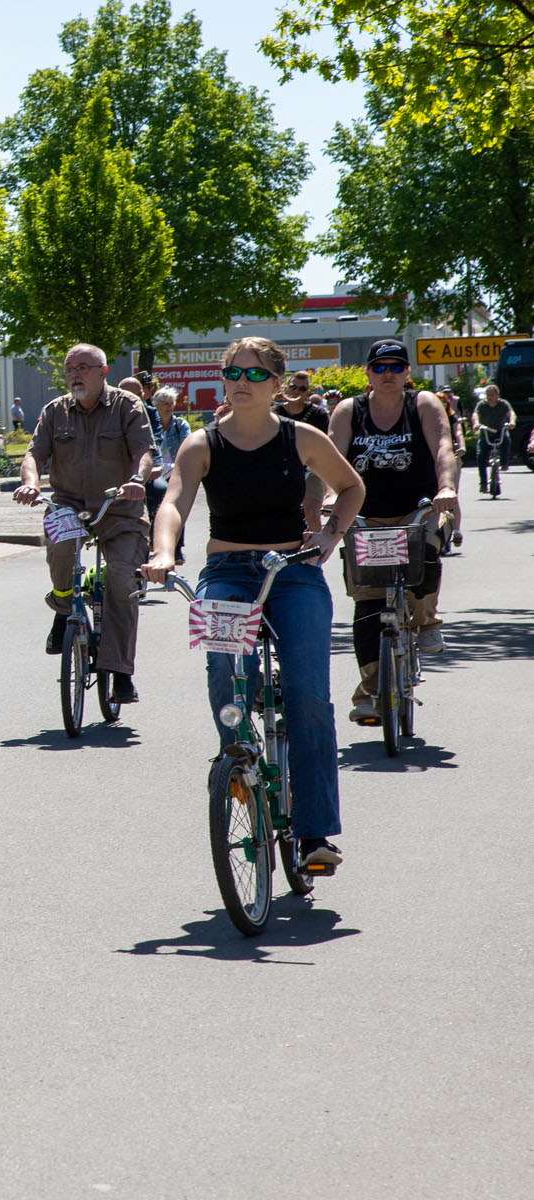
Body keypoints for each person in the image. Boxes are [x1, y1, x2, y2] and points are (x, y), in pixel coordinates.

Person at [142, 335, 364, 871]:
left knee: (309, 695)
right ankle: (238, 762)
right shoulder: (202, 444)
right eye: (233, 373)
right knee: (226, 671)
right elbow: (173, 502)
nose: (242, 383)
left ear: (277, 384)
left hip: (292, 572)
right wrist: (163, 552)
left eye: (255, 375)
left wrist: (331, 534)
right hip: (227, 572)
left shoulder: (302, 438)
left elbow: (351, 486)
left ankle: (314, 834)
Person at [14, 342, 155, 703]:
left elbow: (143, 451)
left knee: (123, 578)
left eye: (82, 367)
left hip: (119, 508)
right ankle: (64, 610)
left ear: (103, 372)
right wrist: (30, 483)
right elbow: (33, 454)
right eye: (69, 368)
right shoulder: (55, 411)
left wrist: (137, 481)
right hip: (70, 504)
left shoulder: (127, 405)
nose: (74, 374)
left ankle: (121, 670)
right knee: (59, 548)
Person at [327, 338, 459, 724]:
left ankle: (426, 622)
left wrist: (446, 488)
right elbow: (332, 459)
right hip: (365, 517)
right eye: (380, 367)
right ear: (366, 372)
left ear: (407, 373)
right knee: (368, 603)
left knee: (426, 553)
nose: (388, 374)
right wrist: (331, 500)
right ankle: (370, 691)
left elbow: (443, 449)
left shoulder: (423, 404)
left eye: (396, 367)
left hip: (416, 511)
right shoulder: (349, 410)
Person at [273, 368, 331, 532]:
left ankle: (314, 553)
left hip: (310, 469)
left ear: (308, 393)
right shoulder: (274, 414)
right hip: (282, 471)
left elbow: (325, 446)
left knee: (312, 512)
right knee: (280, 517)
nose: (297, 391)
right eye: (293, 387)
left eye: (302, 388)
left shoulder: (318, 414)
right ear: (285, 389)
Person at [145, 386, 190, 563]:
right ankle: (154, 543)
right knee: (151, 509)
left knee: (177, 508)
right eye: (164, 403)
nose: (168, 407)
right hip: (154, 473)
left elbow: (187, 446)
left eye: (171, 403)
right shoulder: (149, 426)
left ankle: (177, 549)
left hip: (174, 473)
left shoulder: (180, 425)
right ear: (155, 405)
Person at [471, 382, 515, 492]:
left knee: (506, 439)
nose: (490, 397)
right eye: (488, 395)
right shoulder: (482, 405)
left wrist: (512, 422)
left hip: (499, 431)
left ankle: (504, 463)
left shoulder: (503, 404)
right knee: (481, 457)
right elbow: (475, 414)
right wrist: (476, 423)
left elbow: (511, 413)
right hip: (486, 432)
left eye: (492, 395)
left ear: (497, 395)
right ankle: (483, 484)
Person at [435, 389, 466, 547]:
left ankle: (456, 530)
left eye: (442, 403)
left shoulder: (452, 417)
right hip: (433, 460)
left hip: (452, 457)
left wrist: (461, 447)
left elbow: (458, 433)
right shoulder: (427, 418)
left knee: (452, 495)